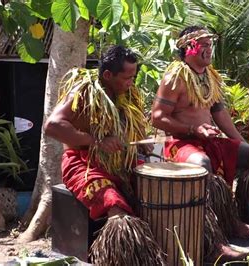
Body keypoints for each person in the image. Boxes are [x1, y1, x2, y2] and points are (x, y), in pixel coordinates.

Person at [44, 45, 164, 265]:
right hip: (83, 164)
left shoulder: (126, 94)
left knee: (159, 186)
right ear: (108, 75)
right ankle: (121, 256)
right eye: (127, 77)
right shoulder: (83, 91)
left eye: (133, 77)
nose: (131, 82)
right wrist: (96, 141)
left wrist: (141, 145)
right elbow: (52, 126)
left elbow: (132, 129)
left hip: (119, 163)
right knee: (113, 203)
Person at [151, 25, 249, 262]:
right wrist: (192, 129)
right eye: (204, 45)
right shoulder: (175, 77)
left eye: (210, 45)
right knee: (202, 163)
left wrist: (238, 142)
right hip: (180, 143)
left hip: (209, 139)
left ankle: (235, 218)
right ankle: (215, 240)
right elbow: (156, 117)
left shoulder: (210, 76)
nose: (209, 50)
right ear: (189, 47)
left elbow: (218, 111)